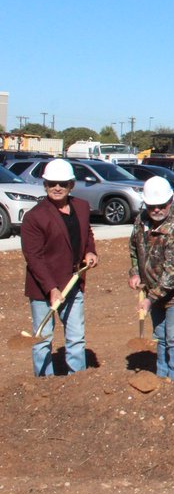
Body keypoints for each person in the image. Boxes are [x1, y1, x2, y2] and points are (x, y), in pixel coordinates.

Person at [21, 158, 98, 376]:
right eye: (52, 183)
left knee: (75, 337)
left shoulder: (81, 207)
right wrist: (51, 289)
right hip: (43, 288)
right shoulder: (35, 217)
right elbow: (33, 257)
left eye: (63, 183)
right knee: (42, 338)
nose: (57, 187)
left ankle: (77, 383)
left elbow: (87, 234)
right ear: (45, 185)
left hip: (73, 283)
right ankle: (45, 383)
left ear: (71, 185)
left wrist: (90, 251)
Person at [128, 175, 174, 381]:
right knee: (161, 337)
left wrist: (151, 298)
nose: (157, 210)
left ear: (171, 201)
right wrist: (134, 272)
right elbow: (134, 248)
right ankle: (161, 378)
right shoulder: (141, 221)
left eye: (161, 205)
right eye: (152, 206)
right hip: (153, 291)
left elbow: (173, 273)